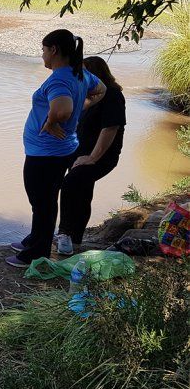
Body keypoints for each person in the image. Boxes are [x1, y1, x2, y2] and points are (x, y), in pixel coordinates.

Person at [6, 29, 106, 268]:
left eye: (43, 50)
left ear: (54, 50)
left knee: (42, 201)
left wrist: (51, 121)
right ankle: (36, 237)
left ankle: (37, 253)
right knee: (46, 198)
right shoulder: (79, 74)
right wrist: (84, 105)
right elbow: (101, 89)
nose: (42, 56)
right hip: (60, 149)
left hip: (46, 153)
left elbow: (62, 110)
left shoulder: (60, 78)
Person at [56, 56, 126, 254]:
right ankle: (75, 240)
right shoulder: (90, 96)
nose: (80, 77)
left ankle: (65, 234)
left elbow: (110, 128)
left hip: (101, 156)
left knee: (70, 184)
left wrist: (92, 158)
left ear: (95, 75)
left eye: (84, 73)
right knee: (83, 192)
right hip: (80, 152)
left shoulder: (112, 95)